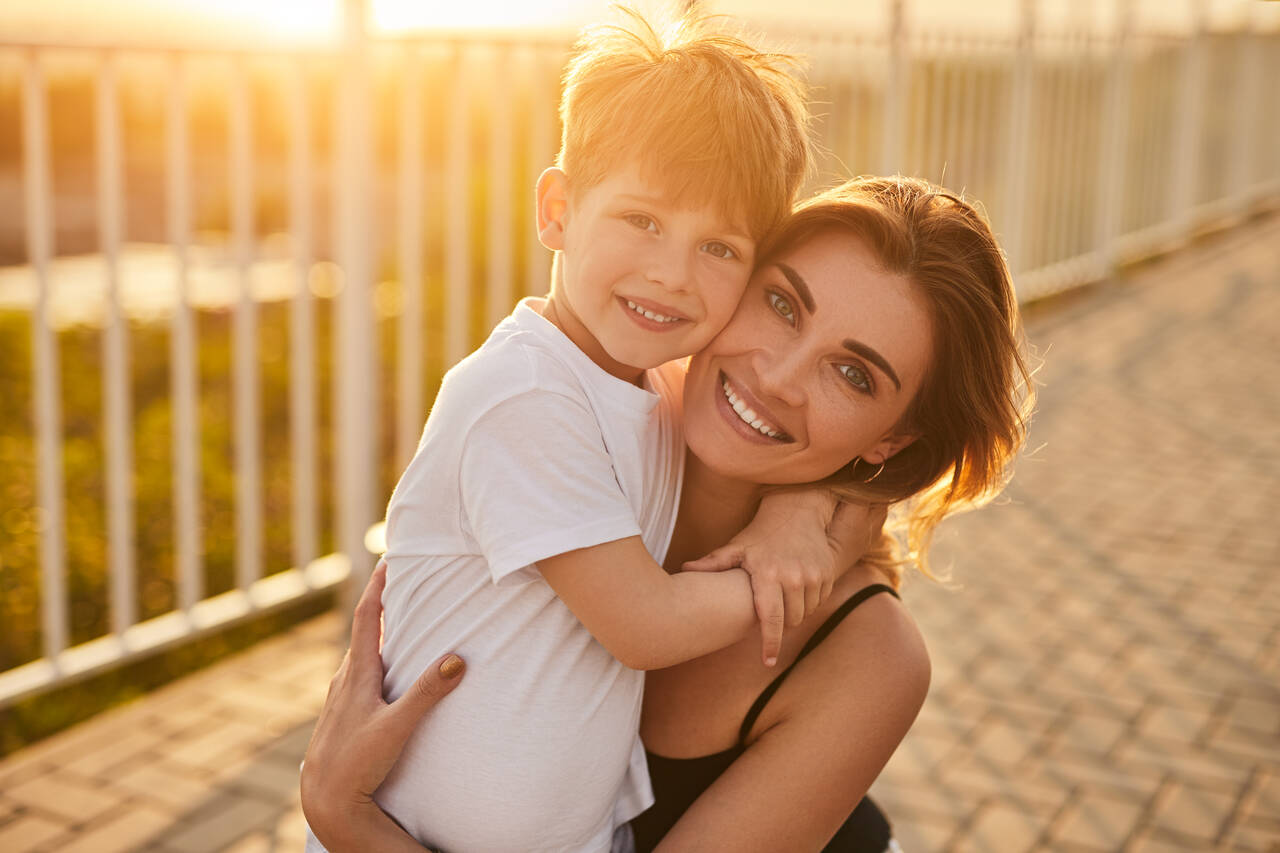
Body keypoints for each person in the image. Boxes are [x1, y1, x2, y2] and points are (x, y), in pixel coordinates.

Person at [302, 175, 1035, 851]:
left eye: (852, 374)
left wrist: (348, 820)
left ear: (891, 438)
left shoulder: (870, 657)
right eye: (782, 303)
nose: (777, 378)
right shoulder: (581, 424)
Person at [305, 9, 883, 853]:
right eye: (642, 221)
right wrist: (798, 566)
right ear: (558, 209)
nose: (671, 273)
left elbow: (837, 469)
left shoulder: (655, 388)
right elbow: (645, 624)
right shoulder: (522, 395)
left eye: (719, 248)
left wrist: (796, 515)